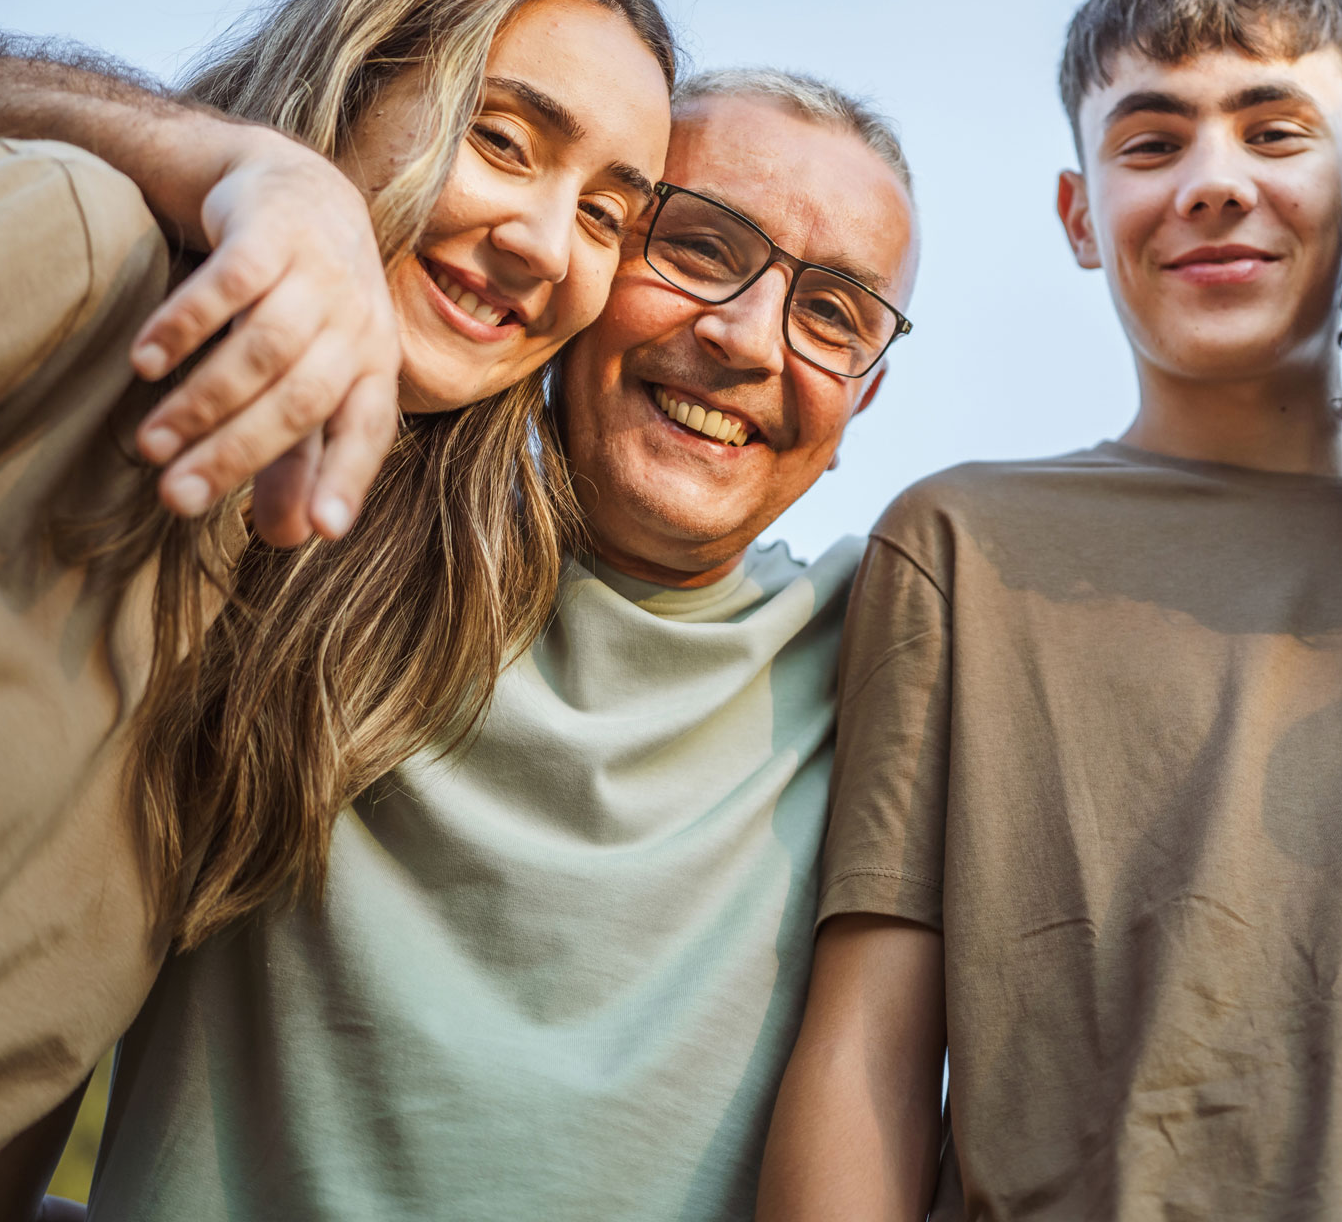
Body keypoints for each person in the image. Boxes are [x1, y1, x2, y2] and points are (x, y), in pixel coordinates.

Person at [759, 0, 1342, 1219]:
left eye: (1273, 130)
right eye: (1150, 142)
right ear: (1082, 215)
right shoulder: (964, 545)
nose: (1213, 183)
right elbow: (872, 1045)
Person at [0, 0, 676, 1222]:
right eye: (502, 140)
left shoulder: (315, 631)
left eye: (607, 218)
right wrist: (236, 168)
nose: (548, 244)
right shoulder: (75, 257)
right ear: (349, 86)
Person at [84, 68, 920, 1222]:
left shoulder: (897, 648)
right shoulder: (305, 519)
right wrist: (265, 176)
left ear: (860, 404)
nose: (746, 339)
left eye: (833, 315)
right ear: (587, 259)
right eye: (698, 247)